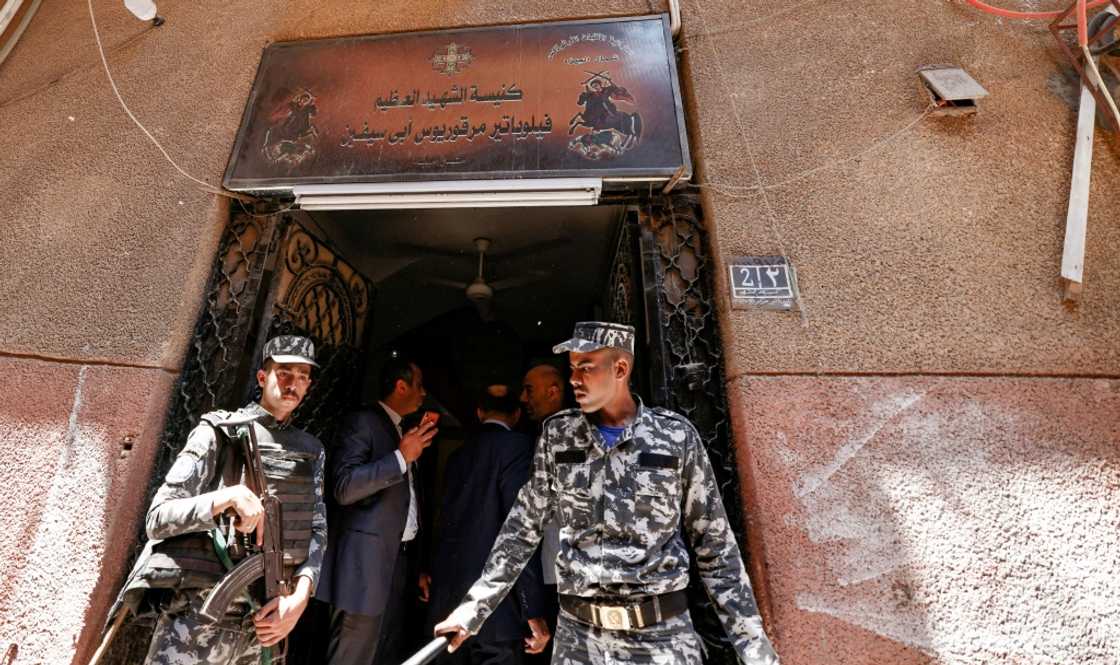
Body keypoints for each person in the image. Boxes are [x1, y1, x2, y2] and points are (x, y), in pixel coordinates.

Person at [435, 322, 780, 665]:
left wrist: (754, 650)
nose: (573, 379)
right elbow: (521, 531)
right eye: (572, 368)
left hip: (662, 640)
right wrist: (472, 610)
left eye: (585, 367)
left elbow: (716, 549)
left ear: (620, 368)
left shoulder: (676, 437)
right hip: (579, 642)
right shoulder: (559, 436)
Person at [104, 335, 327, 665]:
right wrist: (225, 499)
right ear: (263, 378)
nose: (294, 384)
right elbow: (158, 518)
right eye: (285, 373)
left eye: (303, 376)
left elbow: (317, 532)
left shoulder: (311, 451)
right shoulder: (218, 431)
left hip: (263, 629)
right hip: (196, 626)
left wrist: (299, 599)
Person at [317, 356, 438, 665]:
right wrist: (400, 457)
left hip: (396, 564)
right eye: (419, 386)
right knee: (351, 655)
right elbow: (344, 487)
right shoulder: (363, 421)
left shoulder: (401, 429)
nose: (424, 394)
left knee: (381, 651)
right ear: (401, 386)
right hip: (362, 569)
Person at [428, 384, 550, 664]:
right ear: (518, 414)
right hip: (500, 611)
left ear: (479, 412)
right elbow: (521, 527)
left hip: (448, 600)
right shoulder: (519, 447)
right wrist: (532, 609)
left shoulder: (458, 456)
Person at [518, 362, 566, 663]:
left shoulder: (564, 434)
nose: (524, 399)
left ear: (553, 391)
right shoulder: (546, 434)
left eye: (529, 390)